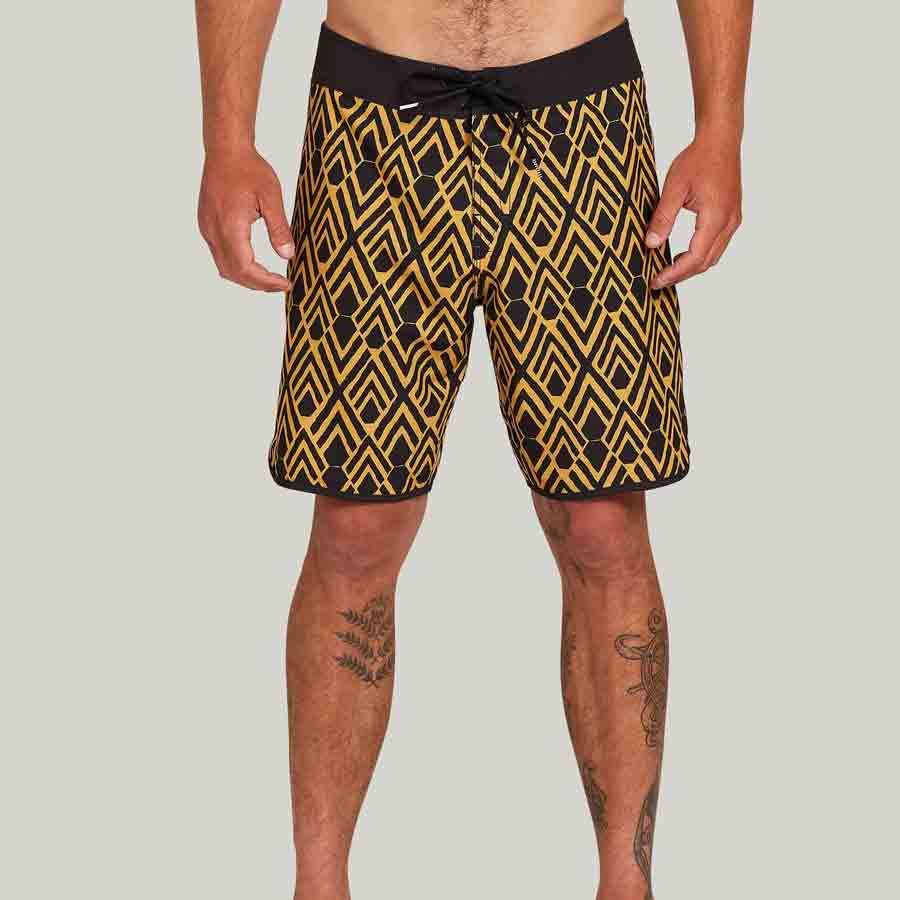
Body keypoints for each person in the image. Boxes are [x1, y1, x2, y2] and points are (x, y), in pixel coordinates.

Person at [195, 1, 752, 897]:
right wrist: (228, 139)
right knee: (355, 528)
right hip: (373, 127)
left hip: (584, 127)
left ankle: (627, 885)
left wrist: (721, 129)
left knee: (603, 523)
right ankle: (318, 886)